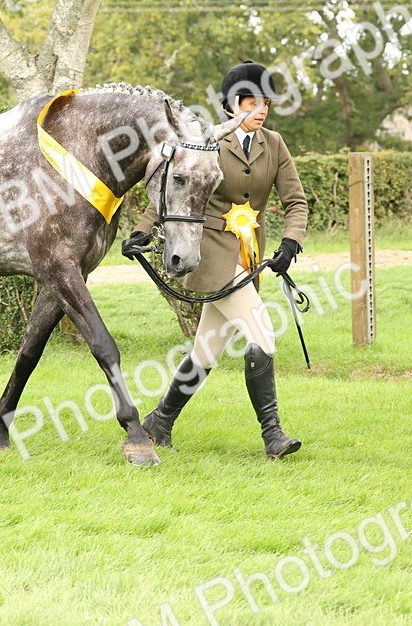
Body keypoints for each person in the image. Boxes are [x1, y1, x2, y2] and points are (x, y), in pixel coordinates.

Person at [125, 60, 309, 458]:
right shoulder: (205, 140)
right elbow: (177, 189)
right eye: (251, 102)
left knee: (205, 351)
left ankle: (160, 421)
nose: (260, 110)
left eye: (266, 103)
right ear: (230, 106)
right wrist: (143, 230)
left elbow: (296, 202)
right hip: (210, 254)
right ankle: (272, 435)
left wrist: (291, 242)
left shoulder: (273, 144)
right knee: (263, 335)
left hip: (250, 257)